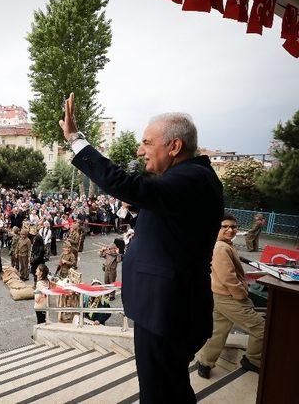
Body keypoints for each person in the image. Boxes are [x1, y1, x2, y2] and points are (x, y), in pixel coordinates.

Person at [60, 93, 223, 403]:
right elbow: (173, 222)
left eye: (147, 142)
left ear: (174, 147)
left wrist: (75, 140)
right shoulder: (188, 178)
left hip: (167, 312)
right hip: (166, 308)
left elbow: (128, 185)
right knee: (169, 388)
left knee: (160, 393)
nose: (140, 150)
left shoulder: (190, 177)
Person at [196, 212, 265, 378]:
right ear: (216, 228)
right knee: (261, 329)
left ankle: (205, 362)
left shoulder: (223, 244)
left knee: (218, 331)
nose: (230, 230)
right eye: (224, 226)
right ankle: (253, 360)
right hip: (229, 297)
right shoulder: (221, 247)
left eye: (233, 227)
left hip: (220, 295)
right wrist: (241, 294)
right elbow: (228, 277)